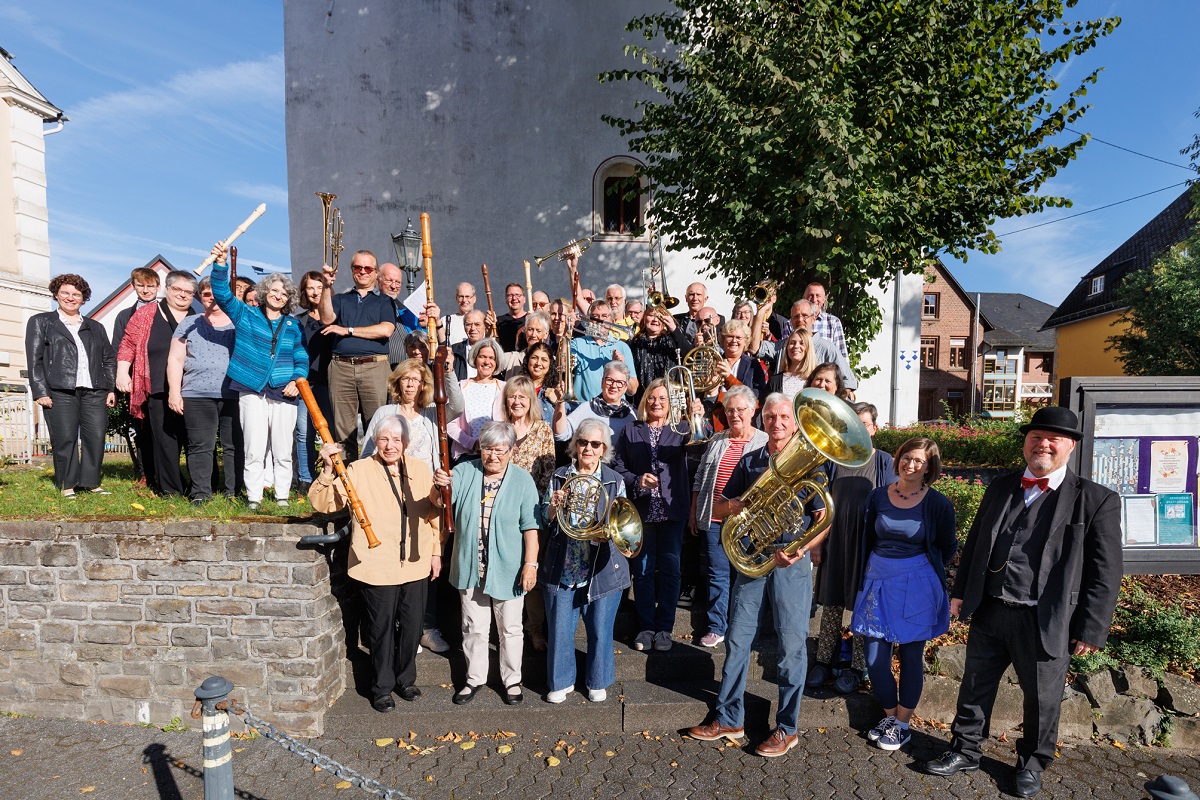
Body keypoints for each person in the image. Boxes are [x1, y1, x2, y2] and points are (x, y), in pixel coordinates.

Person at [922, 406, 1123, 798]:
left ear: (1070, 446)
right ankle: (965, 750)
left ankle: (1032, 763)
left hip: (1046, 619)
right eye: (1036, 437)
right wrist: (960, 592)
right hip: (992, 608)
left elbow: (1106, 571)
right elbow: (978, 540)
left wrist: (1092, 627)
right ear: (1026, 443)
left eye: (1053, 439)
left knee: (1043, 700)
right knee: (975, 687)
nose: (1043, 444)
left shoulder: (1096, 500)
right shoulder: (1002, 486)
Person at [687, 393, 825, 758]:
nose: (776, 423)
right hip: (754, 559)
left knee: (791, 646)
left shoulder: (810, 460)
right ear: (762, 420)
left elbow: (822, 516)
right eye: (770, 416)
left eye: (783, 417)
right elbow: (719, 504)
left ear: (794, 423)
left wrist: (803, 548)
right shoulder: (750, 460)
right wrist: (732, 506)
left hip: (791, 563)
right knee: (737, 639)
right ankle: (730, 717)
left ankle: (787, 728)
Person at [310, 416, 442, 712]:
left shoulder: (420, 470)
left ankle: (405, 679)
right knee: (380, 629)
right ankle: (381, 687)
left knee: (411, 627)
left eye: (396, 440)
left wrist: (436, 552)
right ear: (375, 441)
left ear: (406, 443)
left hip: (415, 563)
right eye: (384, 439)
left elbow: (434, 515)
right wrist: (329, 469)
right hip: (376, 564)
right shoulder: (357, 470)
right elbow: (324, 504)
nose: (390, 445)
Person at [848, 437, 956, 750]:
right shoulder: (878, 496)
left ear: (929, 468)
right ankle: (890, 715)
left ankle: (902, 724)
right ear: (898, 459)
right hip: (878, 581)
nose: (910, 465)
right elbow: (868, 537)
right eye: (906, 457)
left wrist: (920, 572)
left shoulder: (937, 503)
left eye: (918, 461)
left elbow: (947, 547)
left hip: (916, 585)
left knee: (910, 657)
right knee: (875, 659)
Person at [433, 421, 540, 705]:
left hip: (509, 568)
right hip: (470, 564)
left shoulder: (522, 480)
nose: (493, 456)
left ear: (511, 451)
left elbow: (531, 527)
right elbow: (439, 504)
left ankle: (512, 680)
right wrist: (439, 487)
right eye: (488, 449)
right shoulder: (465, 471)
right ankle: (474, 679)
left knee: (510, 628)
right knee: (474, 626)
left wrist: (531, 564)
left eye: (500, 450)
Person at [208, 243, 308, 510]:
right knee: (254, 447)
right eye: (274, 290)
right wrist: (220, 265)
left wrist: (296, 381)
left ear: (289, 298)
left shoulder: (294, 325)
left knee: (283, 450)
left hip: (284, 391)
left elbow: (301, 357)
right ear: (265, 292)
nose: (279, 295)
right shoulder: (246, 314)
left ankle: (283, 496)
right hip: (251, 388)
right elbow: (222, 294)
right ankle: (254, 497)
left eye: (284, 293)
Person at [539, 418, 631, 704]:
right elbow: (543, 518)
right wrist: (553, 506)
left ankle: (597, 680)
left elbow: (624, 524)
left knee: (601, 629)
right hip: (564, 563)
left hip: (603, 565)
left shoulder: (615, 480)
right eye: (583, 442)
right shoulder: (559, 476)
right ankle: (561, 680)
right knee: (560, 628)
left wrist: (611, 537)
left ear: (604, 449)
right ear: (574, 445)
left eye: (595, 444)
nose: (588, 448)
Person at [808, 402, 896, 694]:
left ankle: (857, 668)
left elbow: (893, 505)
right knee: (831, 605)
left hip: (868, 548)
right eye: (853, 425)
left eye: (865, 424)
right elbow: (821, 503)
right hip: (836, 542)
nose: (859, 429)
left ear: (874, 428)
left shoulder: (884, 462)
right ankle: (822, 661)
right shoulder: (834, 460)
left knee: (862, 607)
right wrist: (818, 544)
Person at [613, 378, 705, 652]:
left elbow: (701, 449)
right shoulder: (631, 430)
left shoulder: (682, 429)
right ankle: (645, 627)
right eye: (652, 398)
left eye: (662, 399)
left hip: (671, 512)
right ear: (644, 402)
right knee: (641, 572)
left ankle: (664, 628)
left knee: (671, 571)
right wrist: (637, 480)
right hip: (641, 513)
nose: (656, 403)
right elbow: (618, 466)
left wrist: (699, 418)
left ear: (670, 404)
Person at [26, 274, 116, 497]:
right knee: (64, 437)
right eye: (65, 292)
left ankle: (91, 482)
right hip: (60, 390)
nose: (70, 298)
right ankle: (67, 484)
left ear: (83, 298)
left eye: (76, 294)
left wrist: (110, 387)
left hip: (95, 391)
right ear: (56, 294)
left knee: (95, 437)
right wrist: (40, 391)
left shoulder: (95, 327)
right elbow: (34, 359)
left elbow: (108, 358)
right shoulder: (42, 322)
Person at [690, 386, 765, 648]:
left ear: (753, 410)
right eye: (730, 410)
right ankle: (716, 626)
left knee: (743, 575)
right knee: (717, 574)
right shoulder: (717, 439)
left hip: (748, 522)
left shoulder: (764, 442)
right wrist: (694, 511)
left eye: (740, 410)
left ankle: (741, 625)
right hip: (714, 517)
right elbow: (700, 478)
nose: (735, 415)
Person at [116, 270, 198, 497]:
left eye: (188, 291)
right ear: (167, 289)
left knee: (192, 439)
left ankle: (201, 487)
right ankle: (171, 488)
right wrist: (123, 372)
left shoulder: (198, 316)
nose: (182, 294)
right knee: (164, 439)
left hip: (192, 387)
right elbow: (128, 343)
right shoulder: (147, 313)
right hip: (156, 386)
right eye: (177, 289)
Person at [167, 277, 241, 504]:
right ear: (200, 297)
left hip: (234, 393)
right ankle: (200, 493)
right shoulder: (189, 323)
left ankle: (233, 493)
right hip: (196, 393)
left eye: (217, 294)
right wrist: (174, 392)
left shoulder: (239, 323)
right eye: (207, 294)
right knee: (200, 446)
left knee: (234, 446)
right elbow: (175, 359)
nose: (213, 299)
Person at [318, 249, 396, 460]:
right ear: (352, 270)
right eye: (358, 267)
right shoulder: (342, 299)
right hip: (341, 367)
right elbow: (326, 318)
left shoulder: (384, 302)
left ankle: (375, 478)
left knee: (377, 427)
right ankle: (348, 482)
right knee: (343, 431)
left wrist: (348, 330)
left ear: (376, 272)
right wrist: (327, 286)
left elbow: (386, 329)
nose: (363, 272)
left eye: (368, 268)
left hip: (374, 367)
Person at [111, 267, 161, 489]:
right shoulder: (125, 316)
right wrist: (120, 378)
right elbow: (119, 348)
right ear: (133, 287)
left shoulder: (166, 311)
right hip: (136, 382)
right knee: (140, 429)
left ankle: (165, 475)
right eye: (141, 285)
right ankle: (145, 474)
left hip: (161, 378)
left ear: (158, 287)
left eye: (150, 286)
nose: (146, 290)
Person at [751, 298, 857, 391]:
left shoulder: (827, 348)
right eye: (796, 316)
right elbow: (754, 348)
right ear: (791, 321)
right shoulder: (784, 345)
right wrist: (761, 312)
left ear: (814, 318)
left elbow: (849, 382)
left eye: (805, 316)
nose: (800, 320)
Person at [295, 271, 334, 494]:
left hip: (330, 382)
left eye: (319, 287)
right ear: (304, 291)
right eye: (310, 287)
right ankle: (305, 479)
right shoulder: (299, 321)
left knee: (332, 431)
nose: (315, 292)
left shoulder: (335, 317)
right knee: (304, 432)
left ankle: (335, 473)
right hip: (306, 383)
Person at [448, 338, 505, 461]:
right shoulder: (461, 386)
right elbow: (449, 423)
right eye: (482, 357)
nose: (487, 362)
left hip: (497, 456)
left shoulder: (505, 388)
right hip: (467, 455)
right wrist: (472, 443)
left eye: (491, 358)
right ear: (475, 358)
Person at [570, 300, 638, 401]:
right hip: (584, 408)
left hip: (615, 409)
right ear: (589, 320)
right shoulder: (576, 343)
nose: (600, 320)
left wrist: (622, 366)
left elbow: (632, 391)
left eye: (604, 316)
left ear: (612, 320)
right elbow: (563, 368)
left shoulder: (622, 347)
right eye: (595, 316)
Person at [628, 306, 691, 404]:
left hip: (668, 400)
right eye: (651, 315)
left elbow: (689, 356)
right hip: (641, 401)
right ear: (644, 318)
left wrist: (674, 329)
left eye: (659, 316)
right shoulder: (634, 343)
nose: (655, 319)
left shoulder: (673, 340)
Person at [564, 361, 637, 442]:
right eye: (609, 380)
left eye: (620, 382)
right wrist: (560, 402)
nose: (614, 386)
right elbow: (562, 434)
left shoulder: (632, 415)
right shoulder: (586, 408)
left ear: (625, 388)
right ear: (602, 382)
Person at [715, 320, 767, 400]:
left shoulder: (753, 364)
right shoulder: (714, 362)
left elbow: (759, 394)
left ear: (745, 341)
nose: (734, 341)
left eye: (738, 338)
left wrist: (729, 378)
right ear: (723, 339)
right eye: (730, 336)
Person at [765, 329, 818, 400]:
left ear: (808, 348)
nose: (796, 346)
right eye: (792, 343)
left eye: (802, 343)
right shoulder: (774, 381)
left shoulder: (815, 380)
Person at [805, 280, 848, 359]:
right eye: (810, 295)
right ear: (804, 298)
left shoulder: (833, 322)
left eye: (818, 296)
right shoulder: (792, 322)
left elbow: (842, 357)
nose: (814, 300)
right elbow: (784, 355)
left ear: (824, 299)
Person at [451, 309, 487, 381]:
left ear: (485, 327)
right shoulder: (454, 351)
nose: (473, 328)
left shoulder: (492, 351)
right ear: (464, 327)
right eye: (468, 324)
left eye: (477, 324)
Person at [496, 283, 528, 352]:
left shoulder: (531, 320)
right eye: (510, 295)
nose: (514, 298)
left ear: (524, 299)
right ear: (506, 300)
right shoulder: (499, 321)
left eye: (517, 295)